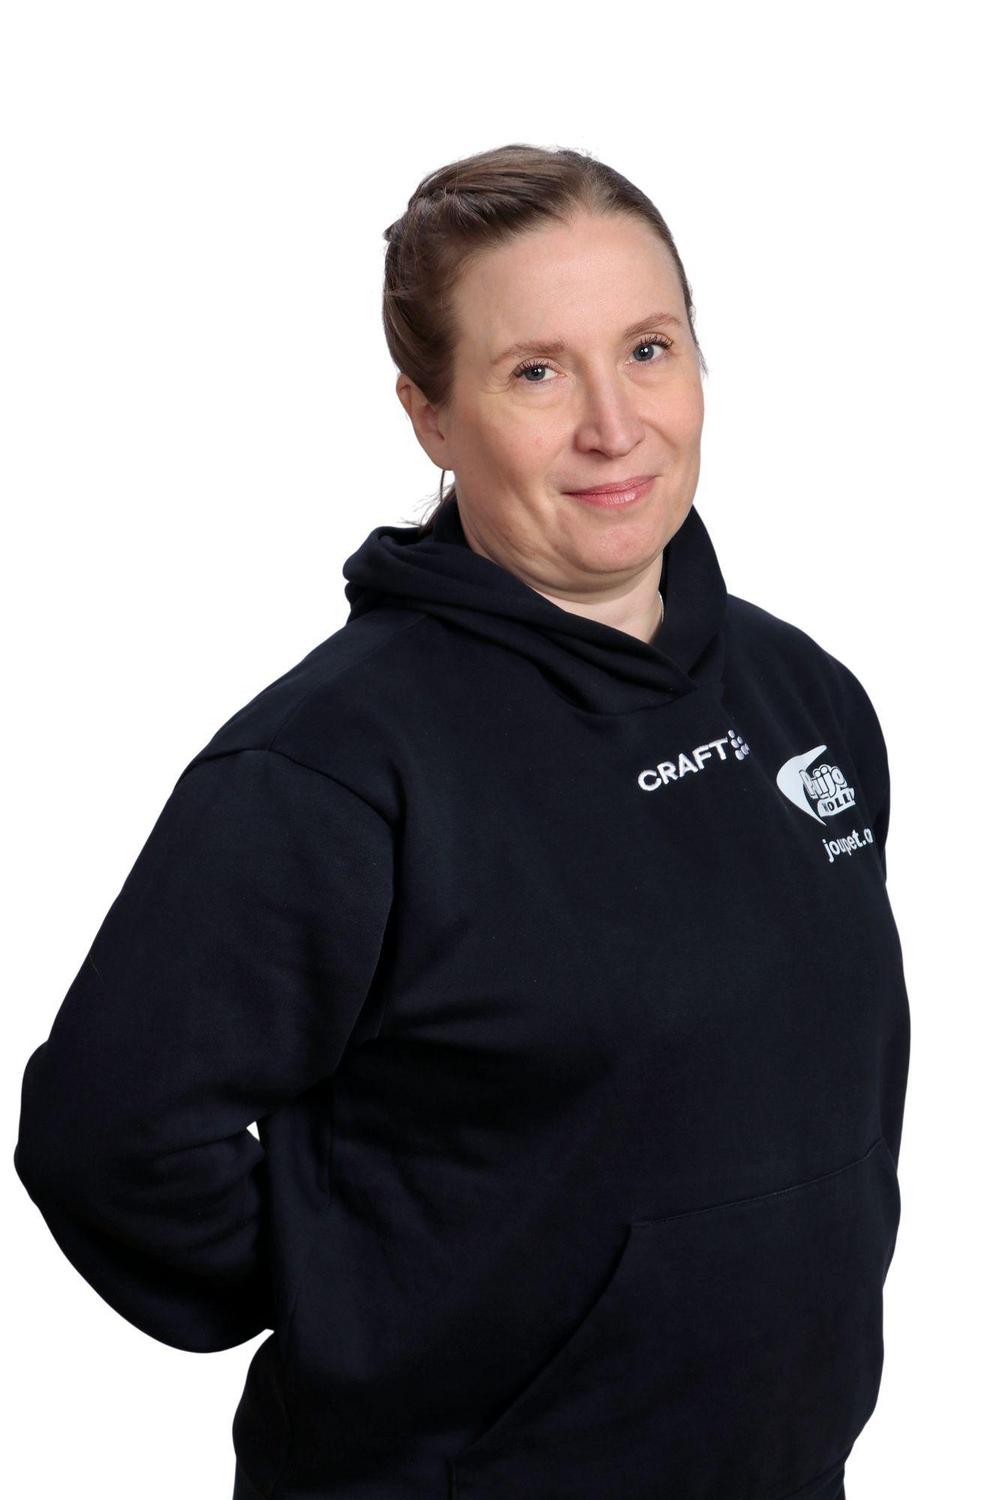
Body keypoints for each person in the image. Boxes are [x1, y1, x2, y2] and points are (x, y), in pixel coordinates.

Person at [13, 143, 908, 1500]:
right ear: (430, 417)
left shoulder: (804, 698)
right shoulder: (330, 769)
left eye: (650, 350)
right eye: (536, 372)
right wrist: (358, 1295)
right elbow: (107, 1132)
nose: (615, 425)